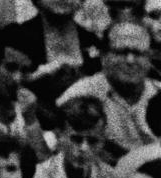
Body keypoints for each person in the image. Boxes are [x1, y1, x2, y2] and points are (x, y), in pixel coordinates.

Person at [58, 21, 161, 157]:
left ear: (149, 58)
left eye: (138, 53)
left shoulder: (158, 91)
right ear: (103, 56)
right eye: (121, 52)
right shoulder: (79, 95)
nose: (130, 60)